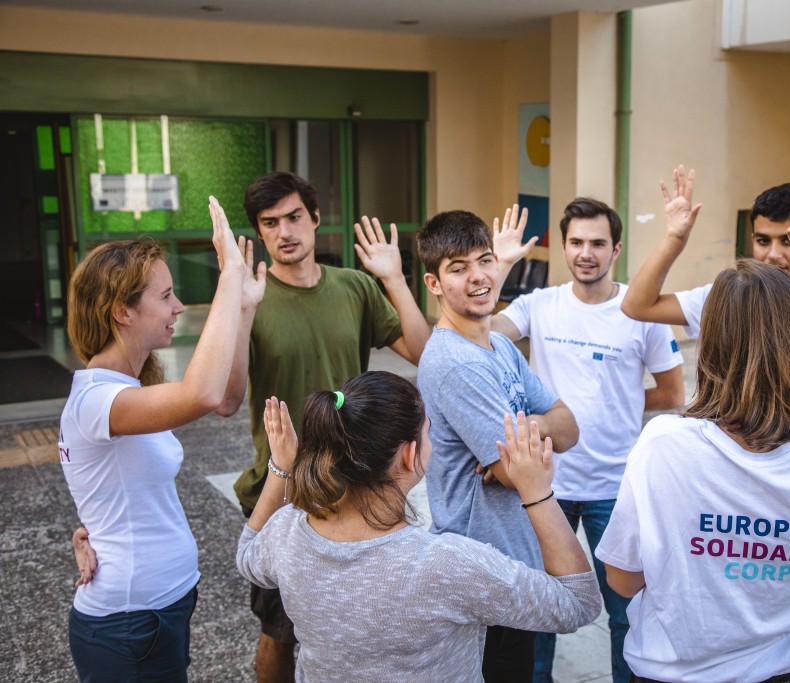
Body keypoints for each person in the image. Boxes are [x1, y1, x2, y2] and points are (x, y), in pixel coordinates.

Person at [595, 174, 790, 682]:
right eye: (765, 239)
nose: (777, 252)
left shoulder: (664, 445)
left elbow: (624, 580)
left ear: (710, 347)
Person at [235, 372, 602, 682]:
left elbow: (248, 553)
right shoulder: (445, 565)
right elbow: (577, 604)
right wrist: (536, 491)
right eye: (429, 432)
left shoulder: (288, 533)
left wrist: (282, 467)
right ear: (409, 455)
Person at [219, 171, 431, 681]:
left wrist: (395, 279)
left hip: (359, 485)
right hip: (282, 489)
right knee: (279, 631)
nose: (284, 231)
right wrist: (240, 308)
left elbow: (425, 353)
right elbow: (226, 399)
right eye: (270, 223)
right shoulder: (252, 297)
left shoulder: (354, 287)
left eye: (294, 217)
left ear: (315, 219)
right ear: (260, 233)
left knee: (363, 624)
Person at [60, 197, 264, 682]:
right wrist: (227, 276)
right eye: (166, 296)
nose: (177, 307)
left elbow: (226, 399)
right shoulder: (97, 400)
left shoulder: (127, 389)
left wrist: (243, 308)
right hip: (128, 624)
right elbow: (202, 391)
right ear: (122, 312)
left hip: (156, 614)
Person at [491, 198, 684, 683]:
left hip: (616, 488)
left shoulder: (641, 311)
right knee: (540, 609)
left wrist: (614, 403)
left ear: (615, 248)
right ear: (564, 247)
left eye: (597, 243)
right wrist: (499, 267)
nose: (586, 252)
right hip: (545, 487)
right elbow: (478, 334)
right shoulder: (540, 305)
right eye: (576, 242)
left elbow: (672, 392)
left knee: (627, 613)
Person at [416, 209, 580, 682]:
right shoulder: (456, 364)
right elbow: (516, 474)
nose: (478, 277)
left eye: (484, 260)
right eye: (458, 268)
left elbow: (569, 428)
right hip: (483, 571)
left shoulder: (501, 347)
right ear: (433, 283)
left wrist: (525, 430)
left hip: (513, 562)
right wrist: (527, 447)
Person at [621, 166, 790, 397]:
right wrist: (674, 239)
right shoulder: (728, 298)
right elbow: (636, 305)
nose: (773, 254)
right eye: (763, 241)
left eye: (787, 241)